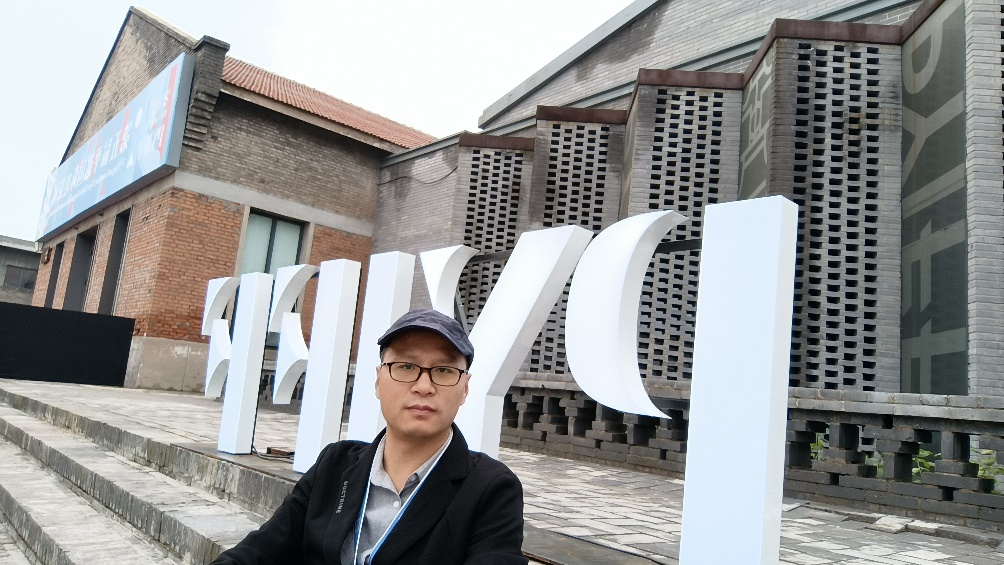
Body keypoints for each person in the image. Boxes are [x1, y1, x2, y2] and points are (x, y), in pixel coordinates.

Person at [212, 309, 527, 565]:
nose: (423, 386)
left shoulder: (490, 489)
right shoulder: (335, 464)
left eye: (444, 370)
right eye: (406, 366)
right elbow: (261, 550)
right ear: (378, 381)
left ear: (465, 388)